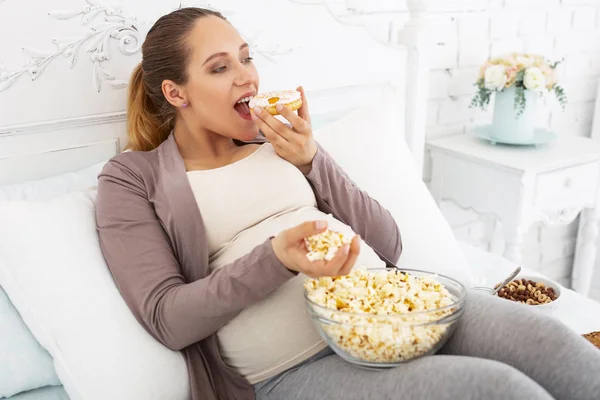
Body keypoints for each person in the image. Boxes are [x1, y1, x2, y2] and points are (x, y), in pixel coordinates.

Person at [95, 7, 600, 400]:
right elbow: (167, 317)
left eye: (247, 57)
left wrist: (314, 160)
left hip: (399, 304)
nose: (247, 77)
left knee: (557, 347)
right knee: (498, 390)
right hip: (300, 367)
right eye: (219, 67)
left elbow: (389, 242)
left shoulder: (280, 139)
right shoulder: (133, 179)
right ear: (175, 93)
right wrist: (276, 258)